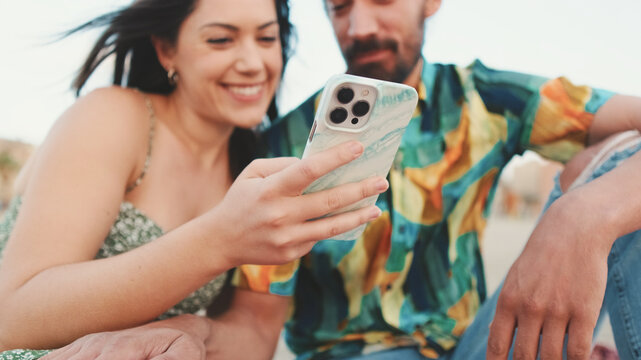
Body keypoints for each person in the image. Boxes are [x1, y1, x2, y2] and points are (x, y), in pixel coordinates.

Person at [40, 0, 641, 359]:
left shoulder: (491, 99)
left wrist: (584, 217)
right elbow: (255, 323)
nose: (359, 27)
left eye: (378, 0)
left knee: (613, 160)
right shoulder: (284, 147)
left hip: (474, 348)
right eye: (339, 7)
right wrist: (188, 334)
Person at [0, 0, 390, 358]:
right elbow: (11, 318)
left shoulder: (259, 170)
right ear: (167, 50)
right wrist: (220, 241)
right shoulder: (115, 117)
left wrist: (192, 331)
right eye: (221, 40)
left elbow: (255, 333)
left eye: (267, 38)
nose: (253, 62)